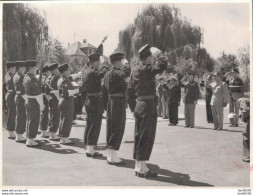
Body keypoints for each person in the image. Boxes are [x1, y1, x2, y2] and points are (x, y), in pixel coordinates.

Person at [127, 44, 167, 178]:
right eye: (151, 57)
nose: (153, 59)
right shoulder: (147, 69)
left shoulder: (135, 70)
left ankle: (140, 165)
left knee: (139, 136)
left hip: (139, 105)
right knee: (146, 136)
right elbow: (163, 65)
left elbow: (130, 92)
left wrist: (133, 108)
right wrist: (159, 53)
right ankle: (142, 168)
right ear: (148, 57)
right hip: (148, 105)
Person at [102, 51, 130, 165]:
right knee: (117, 128)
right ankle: (113, 157)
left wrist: (106, 105)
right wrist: (127, 64)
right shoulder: (115, 73)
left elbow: (103, 92)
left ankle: (110, 154)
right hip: (118, 102)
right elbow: (126, 73)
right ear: (118, 62)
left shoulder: (107, 74)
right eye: (121, 61)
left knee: (111, 128)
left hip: (111, 102)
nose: (122, 64)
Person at [82, 53, 108, 157]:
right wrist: (104, 63)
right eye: (99, 62)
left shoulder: (85, 72)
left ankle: (89, 147)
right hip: (95, 101)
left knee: (89, 124)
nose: (99, 65)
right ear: (96, 62)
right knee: (94, 125)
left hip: (89, 100)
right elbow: (104, 72)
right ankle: (90, 149)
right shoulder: (92, 72)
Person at [57, 63, 82, 145]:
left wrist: (78, 74)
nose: (69, 71)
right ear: (64, 72)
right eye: (68, 70)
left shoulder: (61, 79)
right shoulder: (65, 81)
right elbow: (67, 92)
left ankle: (62, 136)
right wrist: (78, 88)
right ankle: (64, 138)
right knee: (67, 120)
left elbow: (71, 77)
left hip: (62, 101)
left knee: (63, 119)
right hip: (67, 101)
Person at [23, 60, 44, 147]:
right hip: (34, 101)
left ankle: (29, 138)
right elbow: (37, 94)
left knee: (29, 120)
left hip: (28, 100)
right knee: (34, 120)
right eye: (35, 68)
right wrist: (42, 105)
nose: (36, 69)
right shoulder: (32, 79)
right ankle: (30, 140)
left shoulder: (25, 77)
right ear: (32, 68)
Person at [13, 61, 27, 142]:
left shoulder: (16, 75)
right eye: (23, 67)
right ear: (20, 68)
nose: (25, 69)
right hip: (21, 97)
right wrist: (27, 98)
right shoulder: (21, 77)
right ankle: (19, 134)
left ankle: (19, 134)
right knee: (21, 116)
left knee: (19, 115)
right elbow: (22, 90)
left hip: (18, 96)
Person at [47, 63, 61, 141]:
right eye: (56, 69)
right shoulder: (56, 77)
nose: (58, 70)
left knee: (52, 115)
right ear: (54, 70)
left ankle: (51, 132)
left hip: (51, 98)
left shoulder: (49, 77)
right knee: (56, 116)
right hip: (56, 98)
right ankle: (53, 133)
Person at [5, 61, 17, 139]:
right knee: (11, 114)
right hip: (11, 95)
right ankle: (10, 131)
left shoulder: (10, 75)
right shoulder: (9, 76)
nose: (14, 69)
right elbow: (12, 86)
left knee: (12, 113)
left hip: (11, 95)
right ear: (9, 69)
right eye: (13, 68)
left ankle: (11, 130)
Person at [39, 65, 51, 138]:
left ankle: (42, 130)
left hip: (41, 97)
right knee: (45, 114)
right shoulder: (46, 79)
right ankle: (43, 131)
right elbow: (47, 91)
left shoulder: (41, 78)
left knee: (43, 114)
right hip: (45, 97)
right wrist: (49, 99)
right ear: (46, 71)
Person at [237, 97, 250, 162]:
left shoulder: (242, 100)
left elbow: (246, 110)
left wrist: (242, 118)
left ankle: (247, 156)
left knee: (245, 136)